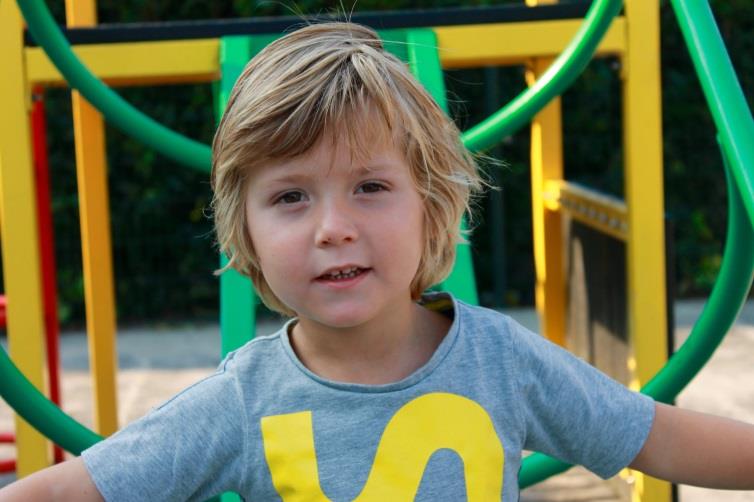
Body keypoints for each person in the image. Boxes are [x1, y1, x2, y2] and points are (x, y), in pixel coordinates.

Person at [2, 21, 753, 502]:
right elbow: (73, 492)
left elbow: (656, 436)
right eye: (291, 198)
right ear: (246, 233)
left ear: (432, 205)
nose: (334, 227)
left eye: (370, 188)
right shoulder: (243, 402)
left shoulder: (501, 362)